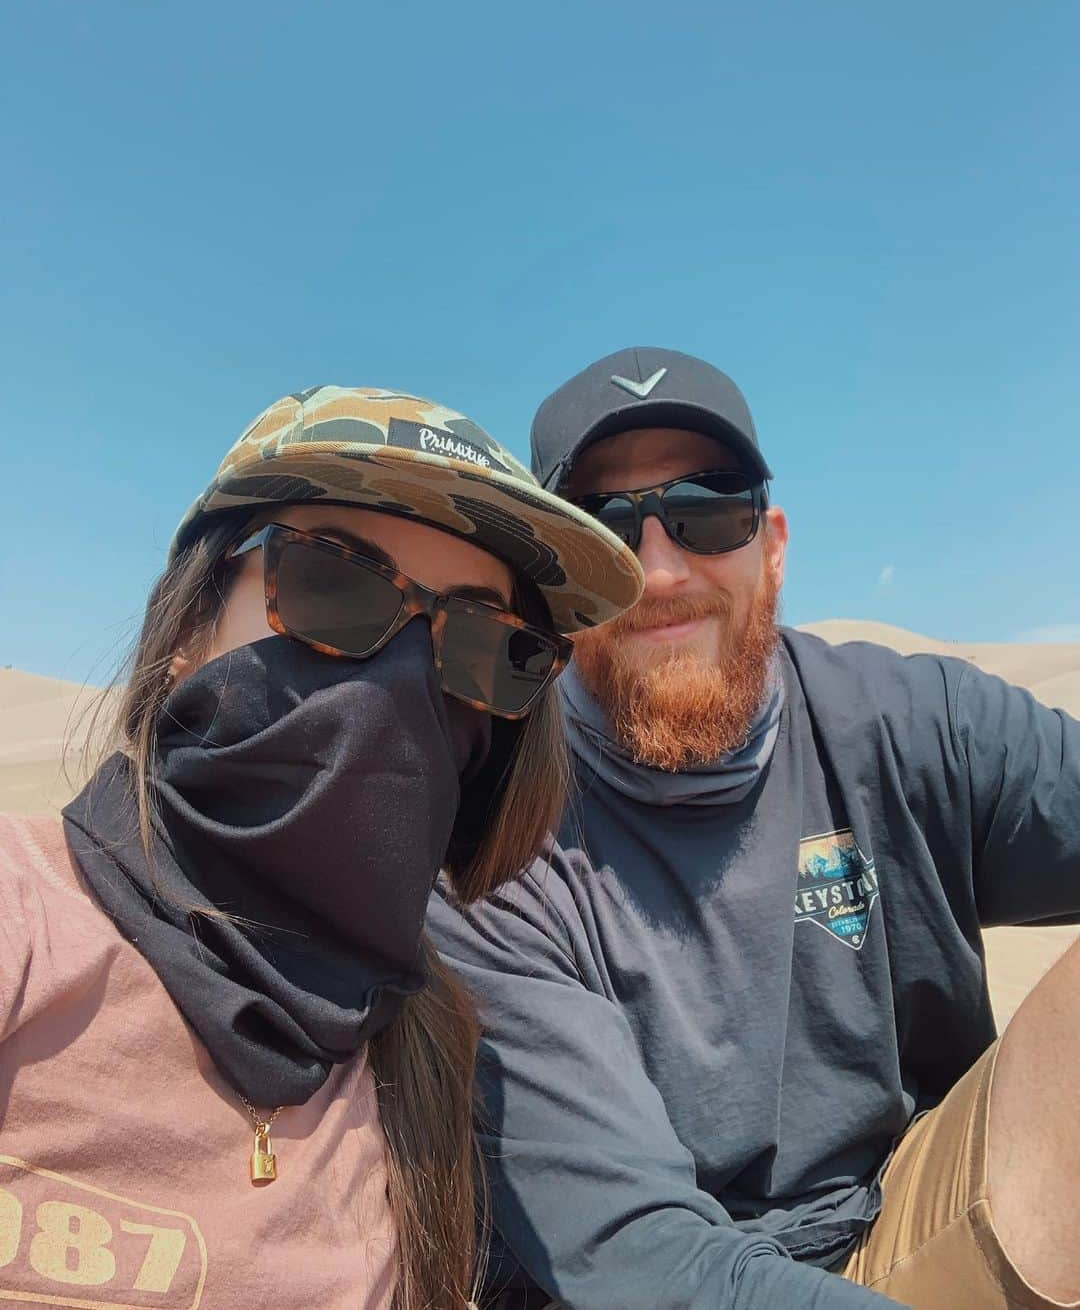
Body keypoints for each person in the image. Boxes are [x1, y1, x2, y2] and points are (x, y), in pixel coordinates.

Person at [427, 349, 1080, 1310]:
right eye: (604, 530)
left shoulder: (910, 720)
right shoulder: (495, 845)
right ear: (552, 590)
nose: (657, 572)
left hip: (902, 1216)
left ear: (771, 544)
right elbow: (641, 1265)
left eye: (706, 511)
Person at [0, 384, 643, 1310]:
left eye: (481, 644)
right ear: (187, 627)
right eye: (333, 581)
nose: (402, 677)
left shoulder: (430, 1046)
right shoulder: (29, 928)